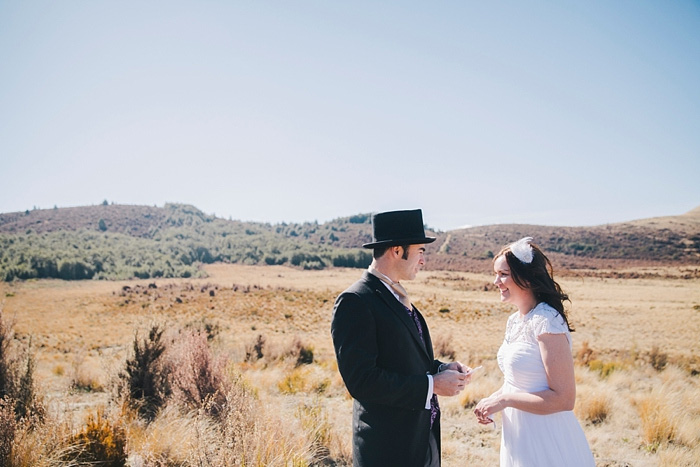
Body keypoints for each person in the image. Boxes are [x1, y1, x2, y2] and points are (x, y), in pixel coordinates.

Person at [331, 209, 472, 467]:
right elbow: (362, 381)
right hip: (388, 450)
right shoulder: (355, 301)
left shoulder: (398, 296)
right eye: (420, 251)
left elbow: (405, 359)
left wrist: (441, 369)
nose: (423, 260)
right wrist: (433, 385)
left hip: (420, 443)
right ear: (397, 250)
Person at [474, 237, 595, 466]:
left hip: (546, 437)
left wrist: (505, 400)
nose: (495, 281)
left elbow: (564, 399)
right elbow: (517, 382)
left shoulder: (547, 320)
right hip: (519, 435)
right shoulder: (514, 321)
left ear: (526, 278)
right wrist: (493, 400)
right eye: (496, 273)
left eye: (503, 274)